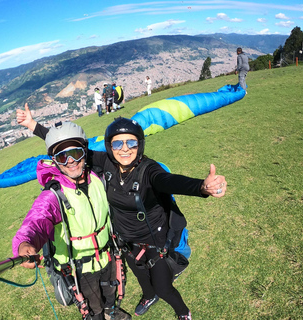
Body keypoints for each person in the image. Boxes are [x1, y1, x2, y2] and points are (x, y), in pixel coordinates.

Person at [16, 105, 228, 320]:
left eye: (131, 142)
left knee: (163, 287)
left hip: (154, 242)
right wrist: (33, 126)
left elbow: (167, 181)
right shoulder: (106, 162)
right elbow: (68, 149)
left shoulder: (149, 170)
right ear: (110, 146)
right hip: (126, 243)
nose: (124, 149)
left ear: (140, 144)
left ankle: (183, 313)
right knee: (143, 280)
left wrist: (201, 187)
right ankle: (148, 296)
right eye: (117, 143)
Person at [12, 121, 131, 320]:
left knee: (112, 294)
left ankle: (112, 311)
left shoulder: (99, 178)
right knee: (94, 310)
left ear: (84, 152)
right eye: (62, 156)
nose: (70, 161)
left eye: (75, 153)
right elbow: (37, 220)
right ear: (55, 161)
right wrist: (25, 242)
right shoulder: (54, 195)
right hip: (80, 269)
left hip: (108, 256)